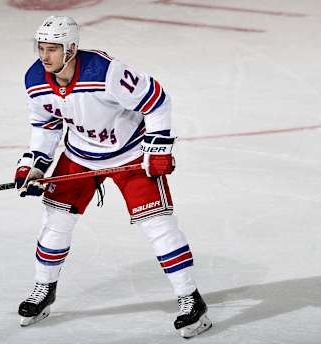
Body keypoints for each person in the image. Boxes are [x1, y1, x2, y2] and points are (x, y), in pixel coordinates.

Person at [14, 15, 212, 338]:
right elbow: (46, 124)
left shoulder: (105, 73)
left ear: (71, 49)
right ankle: (43, 289)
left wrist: (158, 148)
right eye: (41, 48)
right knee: (54, 223)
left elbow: (157, 101)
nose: (44, 56)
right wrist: (35, 164)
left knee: (158, 226)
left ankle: (191, 299)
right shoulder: (35, 79)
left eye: (52, 48)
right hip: (79, 155)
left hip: (129, 156)